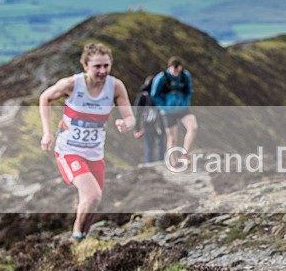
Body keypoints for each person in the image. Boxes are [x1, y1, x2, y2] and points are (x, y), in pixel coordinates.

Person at [39, 43, 136, 241]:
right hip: (69, 150)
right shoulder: (72, 84)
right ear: (85, 66)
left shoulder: (115, 86)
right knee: (92, 195)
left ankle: (82, 236)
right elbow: (45, 98)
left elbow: (131, 117)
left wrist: (126, 123)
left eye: (106, 66)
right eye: (97, 66)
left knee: (91, 201)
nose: (102, 71)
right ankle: (76, 237)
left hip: (95, 153)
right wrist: (47, 133)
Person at [151, 56, 197, 164]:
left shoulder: (185, 76)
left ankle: (185, 154)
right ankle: (173, 162)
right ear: (170, 67)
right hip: (168, 111)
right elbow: (155, 95)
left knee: (193, 127)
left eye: (178, 70)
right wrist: (164, 108)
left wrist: (185, 103)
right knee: (172, 138)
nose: (176, 72)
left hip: (182, 108)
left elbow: (189, 91)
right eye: (174, 70)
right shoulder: (161, 78)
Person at [132, 75, 166, 164]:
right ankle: (157, 164)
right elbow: (138, 112)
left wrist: (137, 128)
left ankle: (152, 164)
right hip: (154, 124)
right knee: (156, 145)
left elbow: (137, 113)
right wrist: (137, 128)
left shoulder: (144, 96)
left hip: (152, 124)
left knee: (152, 146)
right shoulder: (146, 97)